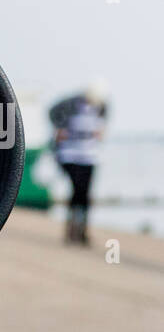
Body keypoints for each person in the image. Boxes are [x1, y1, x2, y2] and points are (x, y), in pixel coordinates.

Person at [48, 78, 109, 245]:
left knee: (85, 194)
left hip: (90, 155)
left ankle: (82, 230)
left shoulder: (102, 106)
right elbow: (52, 112)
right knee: (77, 190)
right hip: (69, 154)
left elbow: (102, 126)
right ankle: (72, 229)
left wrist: (100, 133)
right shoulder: (71, 104)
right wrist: (60, 128)